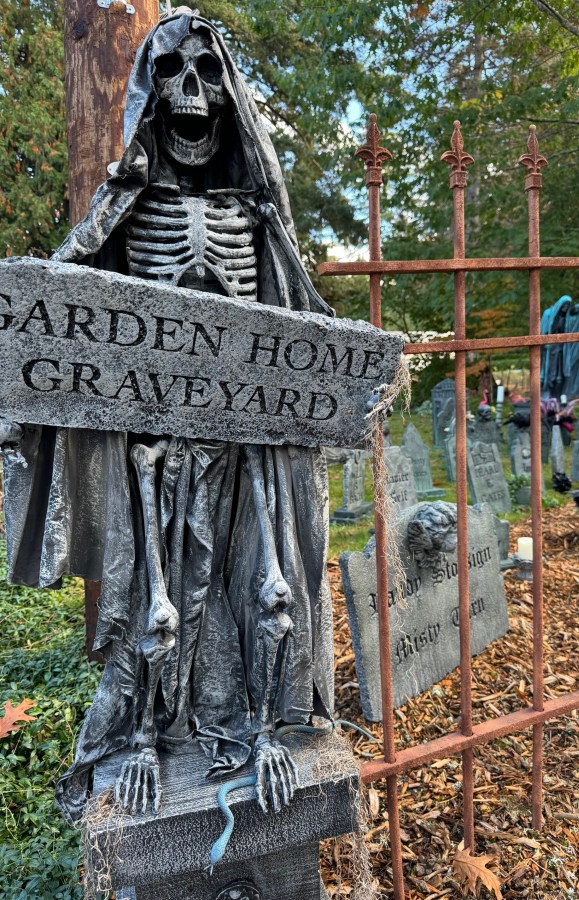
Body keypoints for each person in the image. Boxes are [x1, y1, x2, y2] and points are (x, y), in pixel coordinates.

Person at [1, 7, 335, 825]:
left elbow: (299, 320)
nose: (193, 94)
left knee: (271, 583)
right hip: (149, 448)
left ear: (230, 99)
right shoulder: (128, 208)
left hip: (247, 445)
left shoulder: (256, 220)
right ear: (151, 96)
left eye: (208, 74)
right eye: (174, 75)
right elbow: (67, 301)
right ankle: (145, 734)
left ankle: (261, 726)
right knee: (148, 594)